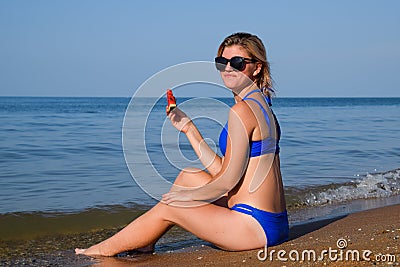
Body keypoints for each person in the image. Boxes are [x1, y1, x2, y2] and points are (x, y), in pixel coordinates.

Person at [75, 32, 288, 256]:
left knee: (171, 205)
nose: (228, 68)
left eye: (237, 62)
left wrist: (186, 198)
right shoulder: (261, 107)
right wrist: (189, 128)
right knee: (189, 176)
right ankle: (145, 240)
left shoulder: (241, 111)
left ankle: (101, 250)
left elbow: (227, 182)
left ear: (257, 67)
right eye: (221, 62)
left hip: (255, 227)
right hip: (273, 222)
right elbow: (224, 171)